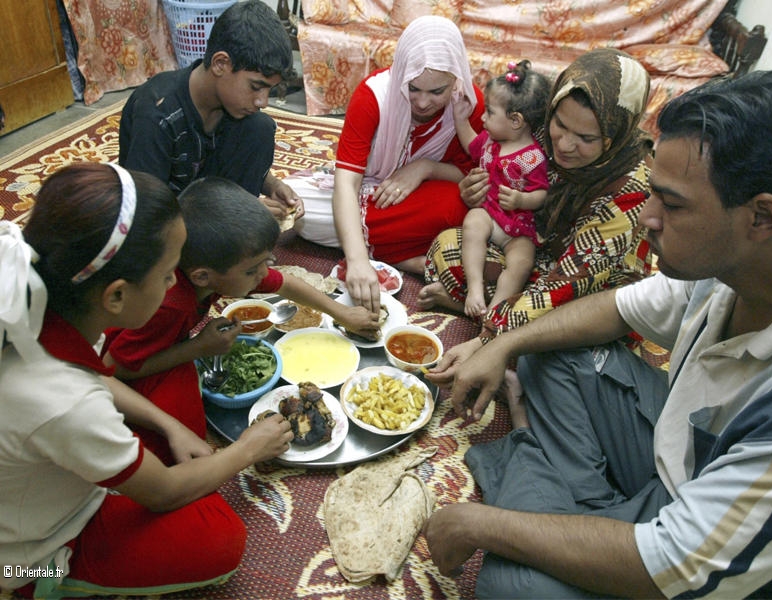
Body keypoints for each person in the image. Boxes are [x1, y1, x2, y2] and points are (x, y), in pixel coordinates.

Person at [423, 70, 772, 599]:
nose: (648, 217)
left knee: (514, 587)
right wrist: (501, 344)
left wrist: (477, 525)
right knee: (548, 347)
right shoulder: (728, 271)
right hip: (681, 455)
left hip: (702, 556)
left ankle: (543, 469)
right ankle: (588, 512)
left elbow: (671, 565)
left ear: (762, 217)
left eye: (671, 204)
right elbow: (618, 307)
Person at [0, 162, 294, 597]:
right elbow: (164, 493)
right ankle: (40, 581)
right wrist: (249, 449)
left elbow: (100, 378)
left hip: (51, 465)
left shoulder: (45, 293)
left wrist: (168, 424)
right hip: (28, 552)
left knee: (174, 409)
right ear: (116, 294)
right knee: (218, 539)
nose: (174, 285)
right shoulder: (66, 401)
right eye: (166, 275)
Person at [102, 176, 379, 464]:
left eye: (266, 261)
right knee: (184, 435)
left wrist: (341, 313)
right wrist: (198, 348)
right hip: (111, 365)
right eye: (252, 270)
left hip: (160, 342)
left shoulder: (225, 270)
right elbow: (112, 370)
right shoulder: (169, 304)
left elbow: (285, 283)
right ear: (202, 276)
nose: (262, 274)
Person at [419, 49, 656, 344]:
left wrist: (489, 341)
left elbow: (572, 282)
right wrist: (474, 191)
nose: (566, 145)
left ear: (615, 135)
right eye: (561, 126)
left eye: (586, 139)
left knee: (573, 332)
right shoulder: (542, 126)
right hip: (537, 251)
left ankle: (485, 315)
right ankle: (490, 310)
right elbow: (499, 168)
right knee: (451, 245)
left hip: (592, 288)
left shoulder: (631, 187)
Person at [289, 15, 485, 313]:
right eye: (413, 88)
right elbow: (347, 181)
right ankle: (407, 256)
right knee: (298, 210)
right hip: (367, 191)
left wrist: (424, 168)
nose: (422, 103)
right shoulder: (373, 95)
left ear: (456, 79)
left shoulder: (468, 103)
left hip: (421, 197)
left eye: (437, 92)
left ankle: (384, 249)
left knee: (462, 207)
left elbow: (472, 177)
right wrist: (357, 261)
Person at [118, 0, 303, 223]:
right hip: (166, 224)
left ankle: (240, 237)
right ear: (220, 64)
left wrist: (272, 185)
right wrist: (237, 212)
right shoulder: (158, 114)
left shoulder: (232, 108)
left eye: (269, 90)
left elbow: (221, 165)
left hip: (208, 207)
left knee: (259, 127)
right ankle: (238, 238)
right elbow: (146, 212)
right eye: (255, 87)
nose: (262, 101)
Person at [453, 59, 550, 318]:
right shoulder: (489, 141)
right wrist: (461, 121)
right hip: (490, 214)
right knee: (473, 221)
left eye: (489, 112)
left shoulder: (532, 158)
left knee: (522, 262)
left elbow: (543, 195)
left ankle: (497, 308)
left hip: (518, 227)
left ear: (516, 120)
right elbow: (470, 146)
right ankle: (475, 288)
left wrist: (521, 199)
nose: (482, 118)